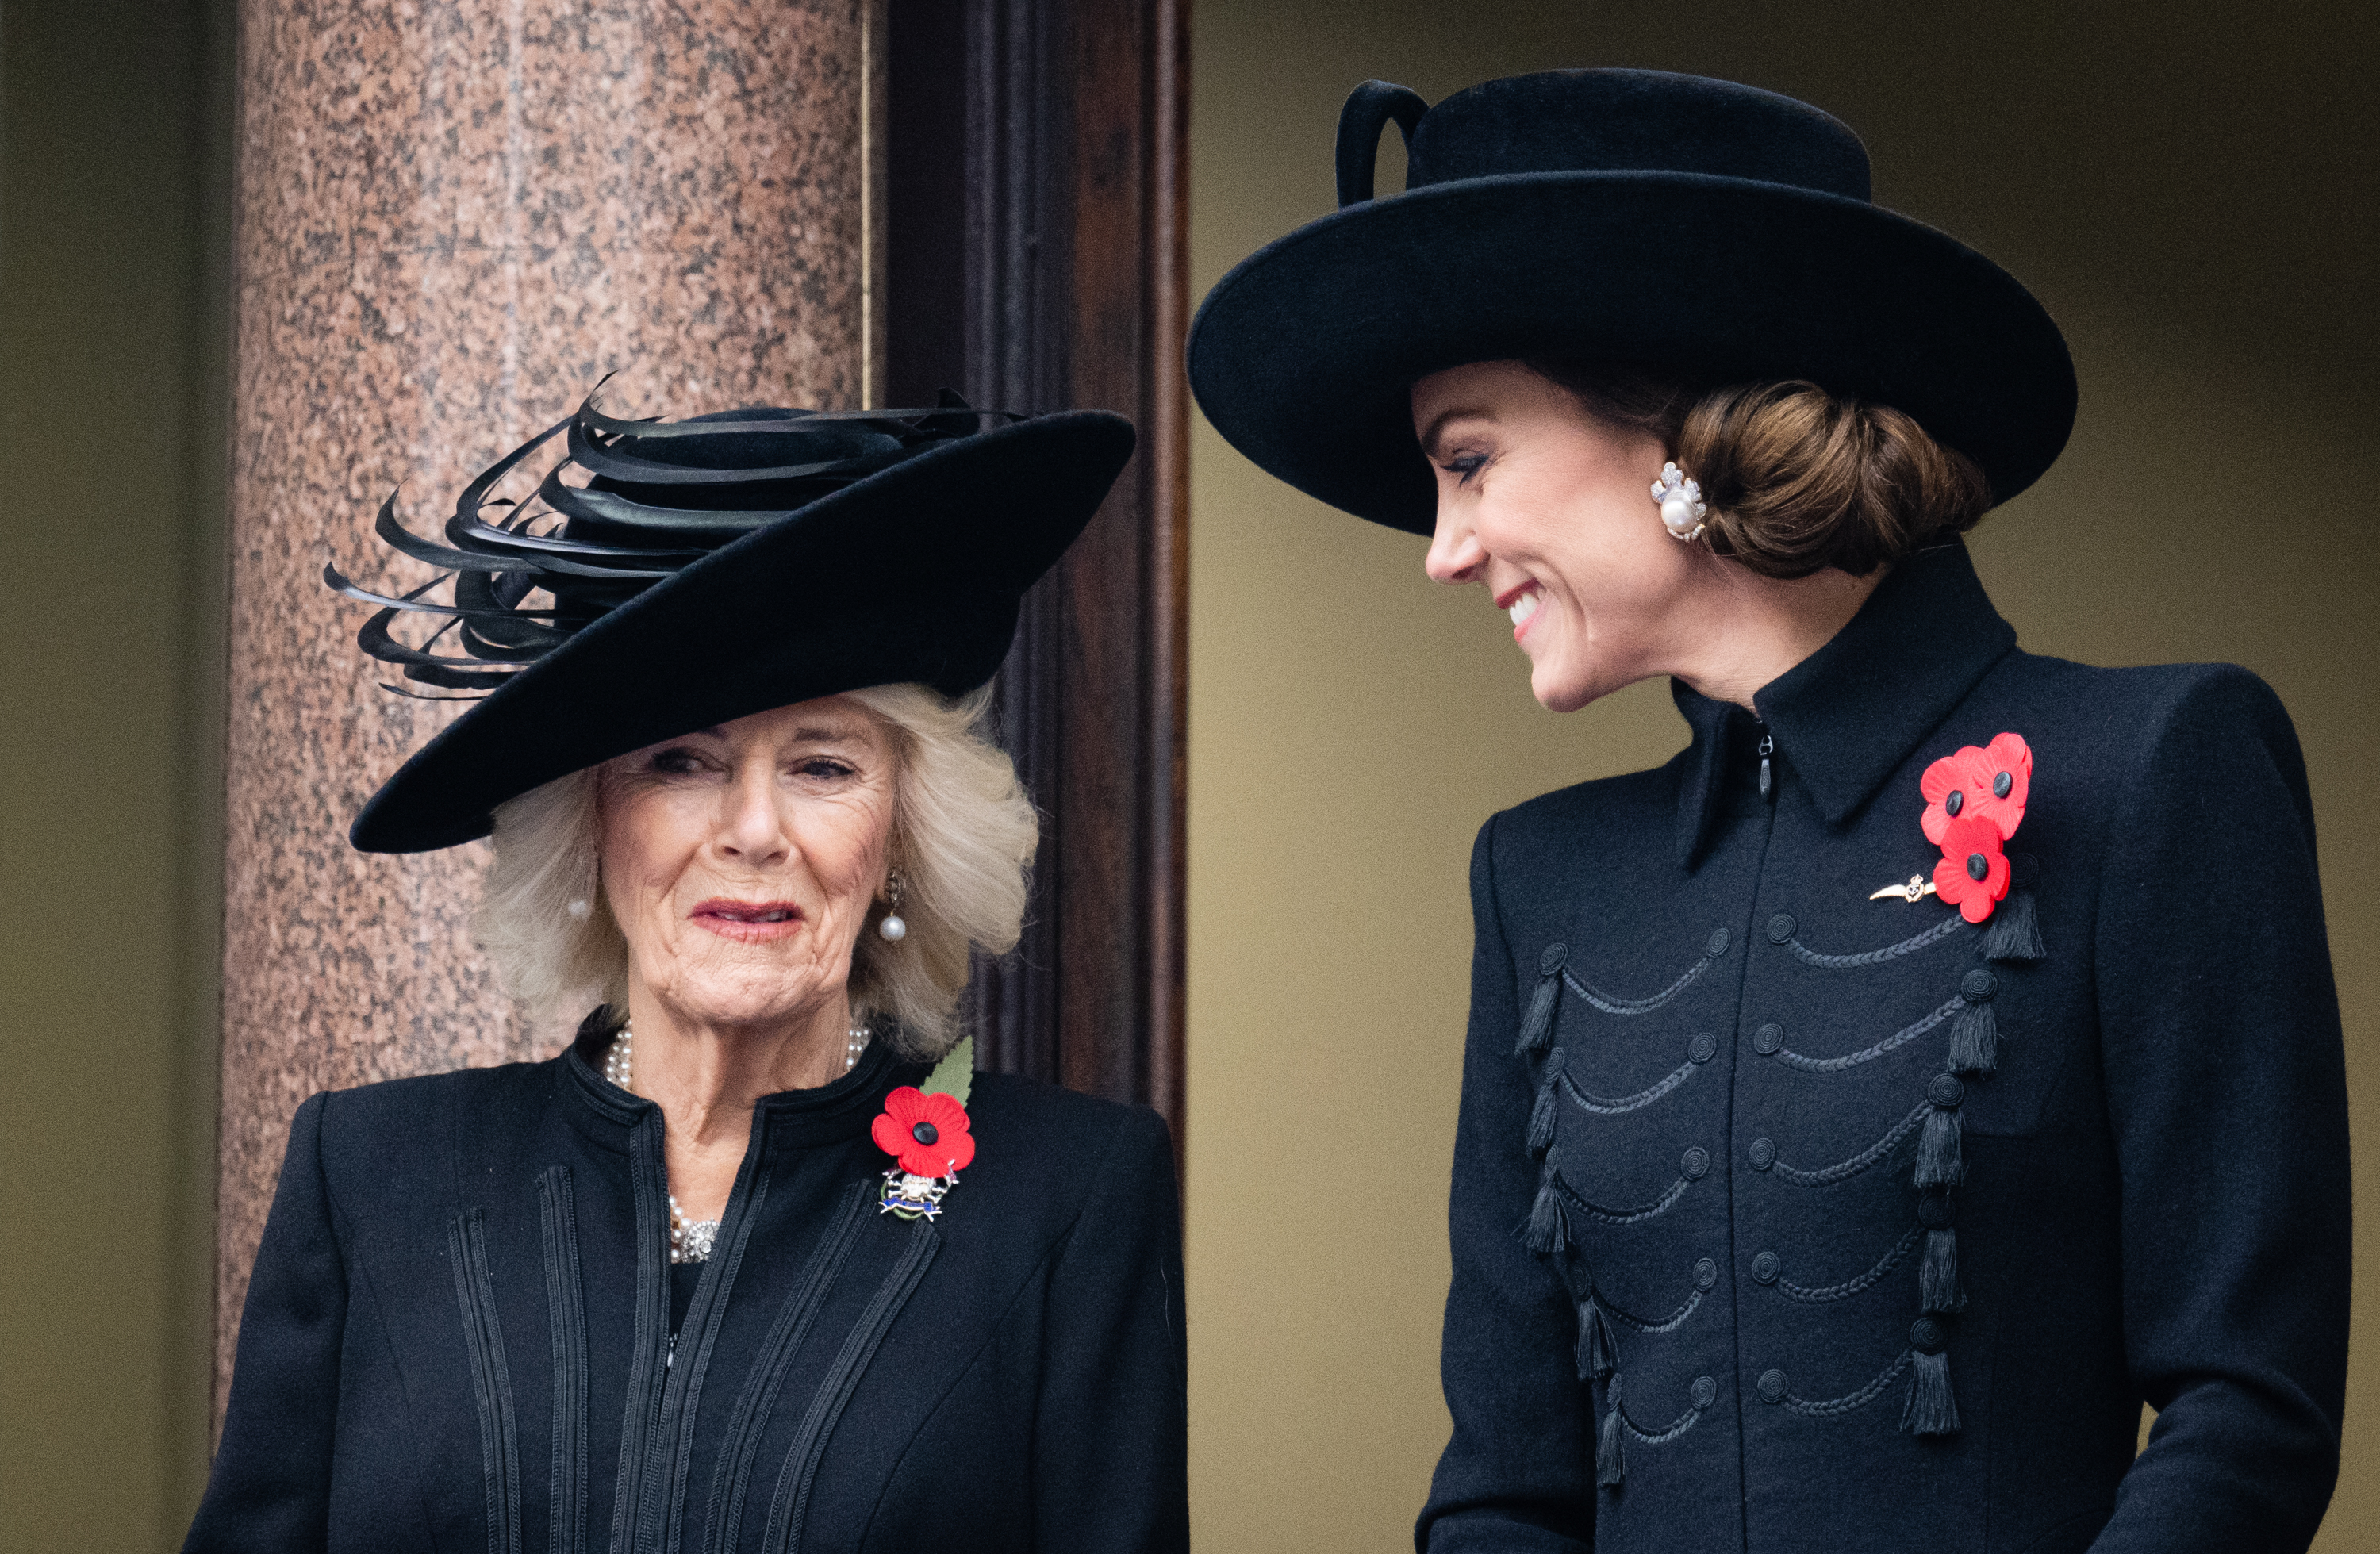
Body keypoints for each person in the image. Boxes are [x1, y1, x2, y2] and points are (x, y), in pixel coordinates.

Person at [1188, 69, 2347, 1554]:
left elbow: (2245, 1413)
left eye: (1470, 464)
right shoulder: (1538, 877)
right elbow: (1502, 1490)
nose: (1445, 550)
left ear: (1683, 436)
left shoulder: (2156, 767)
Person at [186, 391, 1189, 1553]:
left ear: (904, 836)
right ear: (591, 823)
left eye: (822, 766)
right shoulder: (371, 1177)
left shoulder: (1066, 1198)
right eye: (680, 762)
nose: (754, 830)